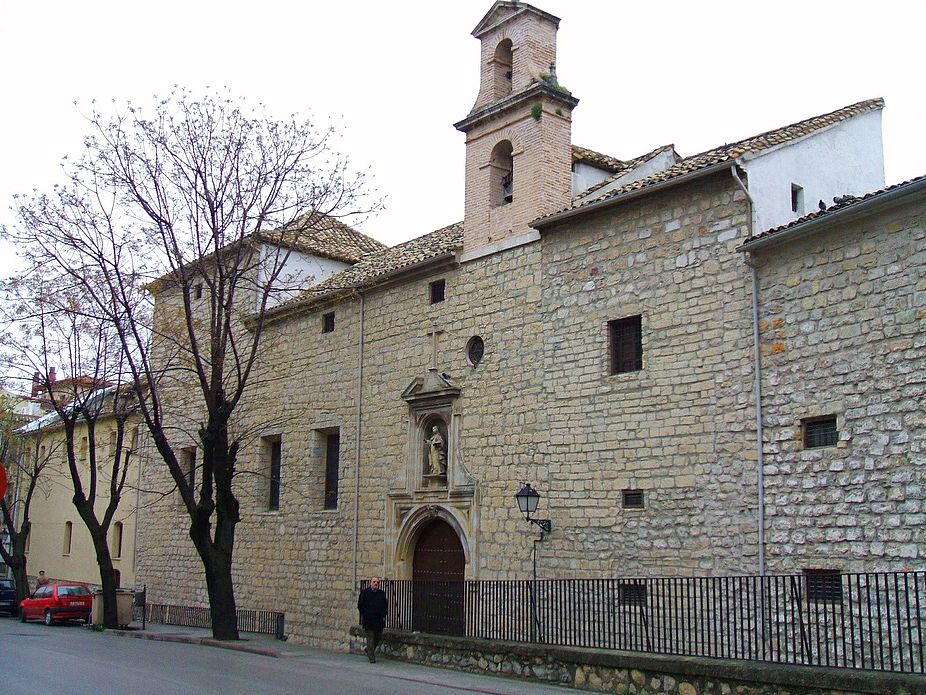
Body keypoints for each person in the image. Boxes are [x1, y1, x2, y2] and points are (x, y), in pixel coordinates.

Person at [357, 576, 388, 663]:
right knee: (370, 638)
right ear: (371, 583)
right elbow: (360, 605)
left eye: (377, 582)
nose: (376, 584)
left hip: (378, 621)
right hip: (369, 620)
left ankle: (368, 649)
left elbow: (385, 605)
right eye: (374, 582)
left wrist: (384, 614)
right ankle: (371, 657)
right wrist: (365, 614)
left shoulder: (382, 593)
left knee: (378, 637)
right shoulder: (365, 593)